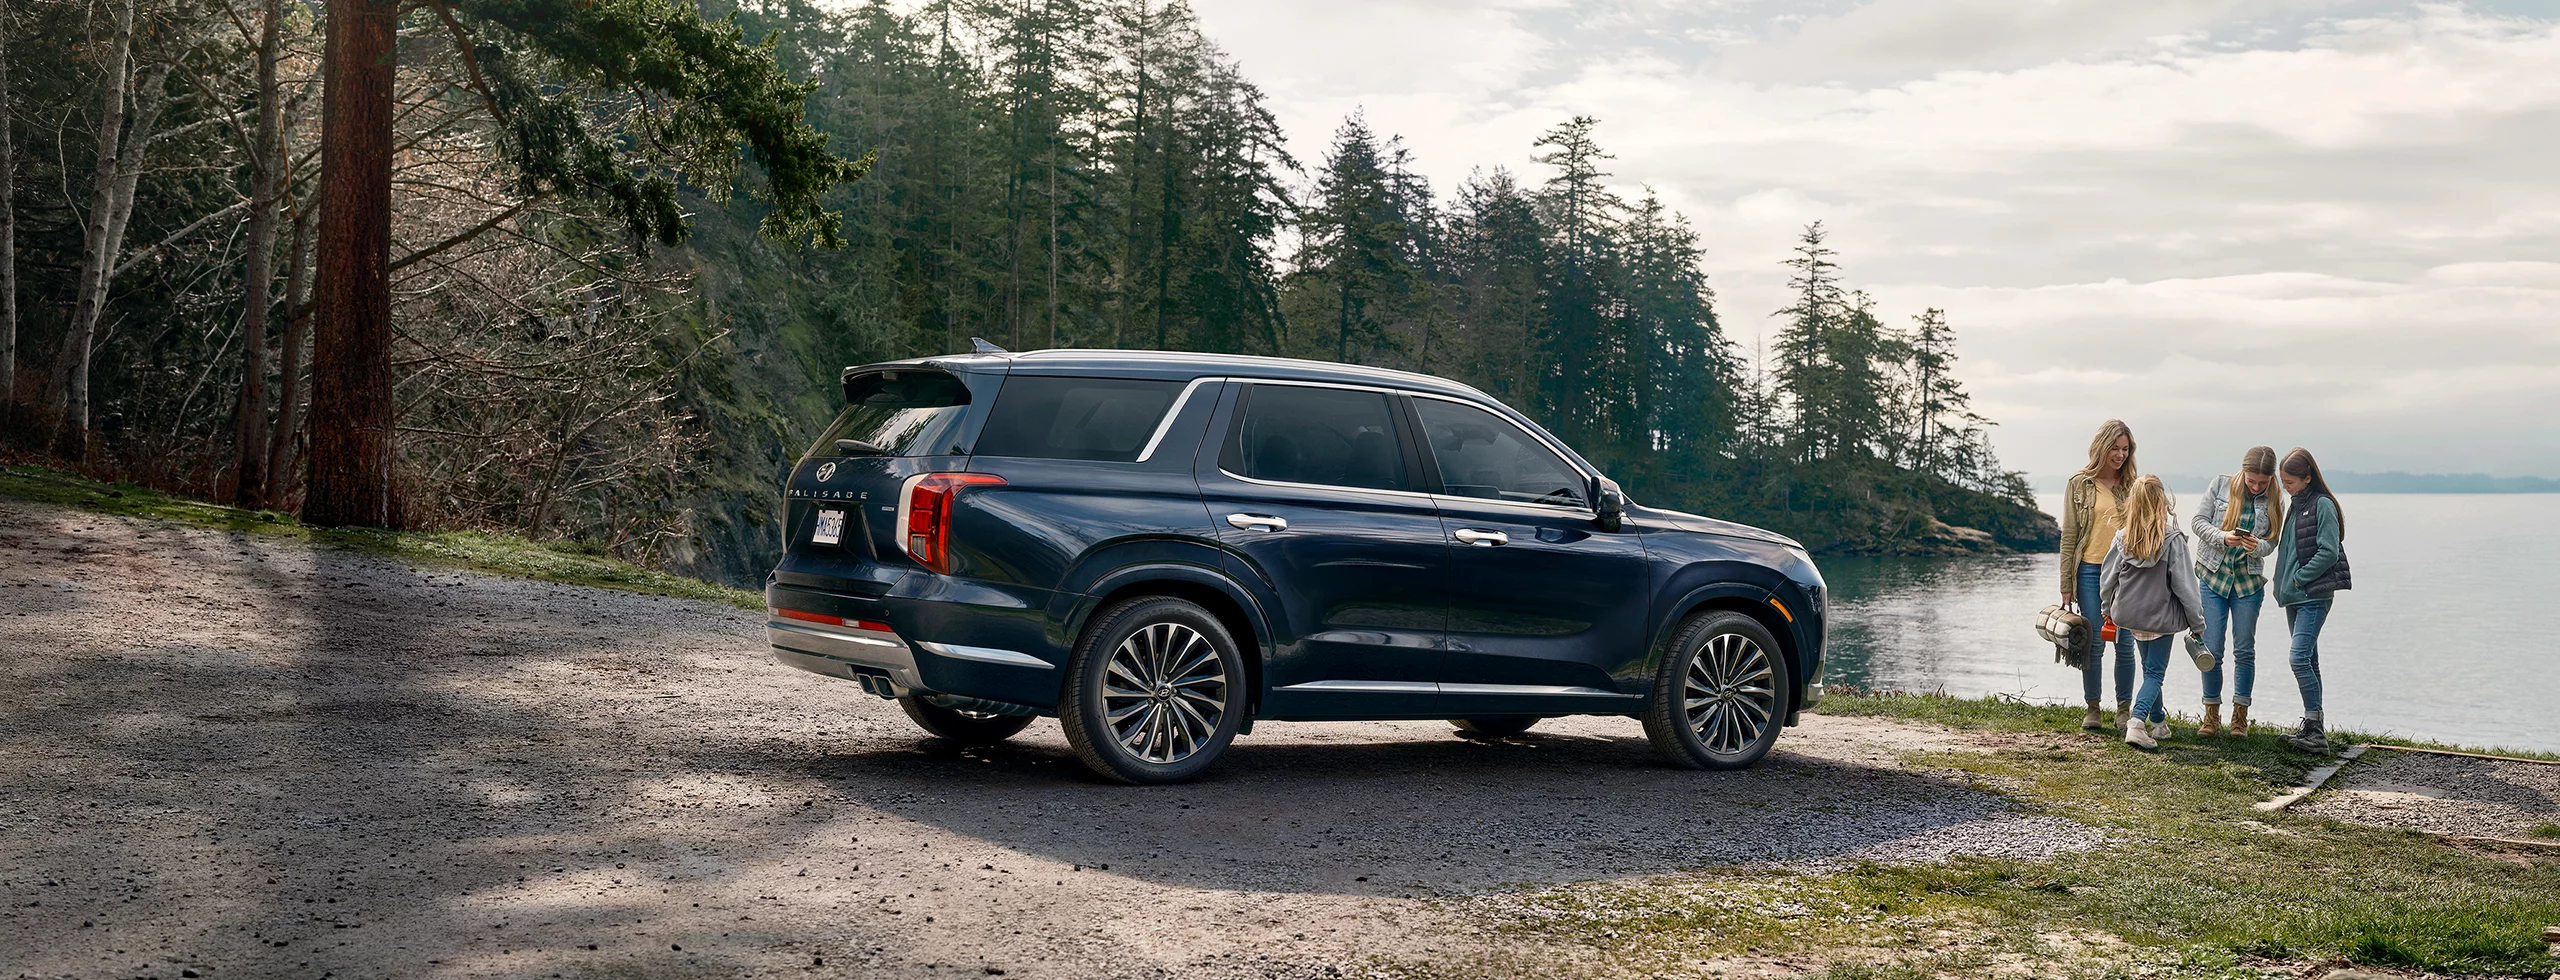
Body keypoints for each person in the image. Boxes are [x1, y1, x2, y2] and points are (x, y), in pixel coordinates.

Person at [2100, 476, 2207, 750]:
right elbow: (2186, 586)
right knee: (2155, 673)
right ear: (2163, 502)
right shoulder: (2172, 539)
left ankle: (2159, 723)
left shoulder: (2122, 538)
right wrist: (2197, 623)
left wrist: (2106, 609)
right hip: (2159, 618)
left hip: (2130, 616)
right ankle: (2137, 723)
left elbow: (2108, 578)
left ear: (2132, 504)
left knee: (2149, 670)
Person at [2188, 447, 2281, 736]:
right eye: (2252, 481)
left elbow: (2272, 541)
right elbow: (2197, 523)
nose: (2256, 487)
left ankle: (2239, 718)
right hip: (2212, 578)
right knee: (2211, 650)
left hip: (2248, 583)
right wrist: (2223, 537)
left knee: (2244, 650)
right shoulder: (2220, 484)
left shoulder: (2276, 497)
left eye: (2262, 483)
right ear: (2243, 472)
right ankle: (2210, 716)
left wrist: (2259, 547)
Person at [2057, 420, 2139, 730]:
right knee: (2094, 642)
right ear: (2101, 448)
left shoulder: (2133, 486)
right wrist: (2066, 583)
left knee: (2125, 641)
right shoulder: (2080, 484)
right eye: (2114, 449)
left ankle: (2123, 710)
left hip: (2126, 573)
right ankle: (2092, 708)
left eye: (2125, 449)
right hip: (2090, 571)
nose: (2119, 455)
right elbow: (2069, 536)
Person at [2273, 447, 2351, 752]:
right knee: (2309, 659)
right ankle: (2314, 727)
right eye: (2282, 481)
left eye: (2289, 482)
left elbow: (2328, 551)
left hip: (2313, 596)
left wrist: (2299, 578)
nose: (2285, 487)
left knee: (2298, 658)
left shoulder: (2323, 506)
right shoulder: (2296, 504)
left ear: (2307, 478)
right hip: (2295, 597)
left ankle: (2315, 731)